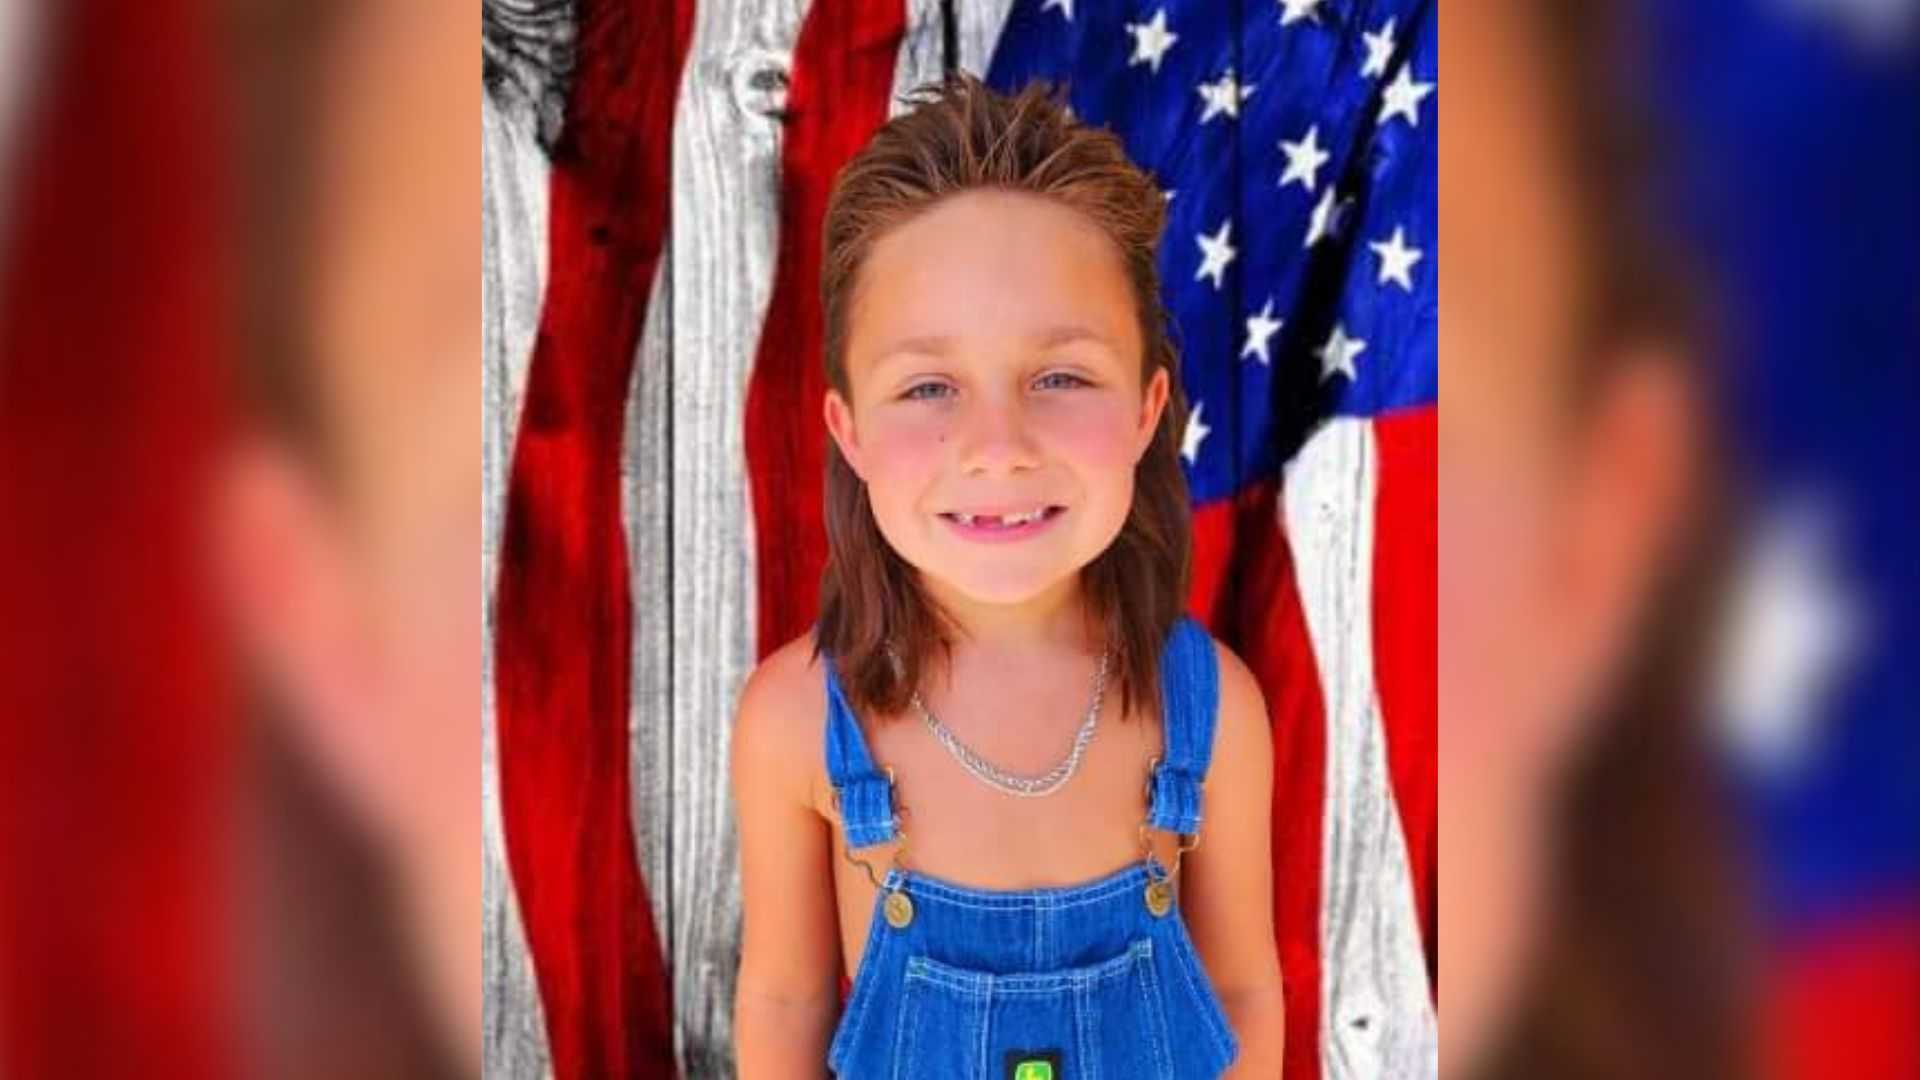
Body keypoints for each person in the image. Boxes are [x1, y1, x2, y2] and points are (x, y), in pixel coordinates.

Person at [730, 73, 1285, 1078]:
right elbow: (783, 1000)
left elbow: (1243, 987)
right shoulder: (796, 720)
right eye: (929, 386)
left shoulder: (1210, 710)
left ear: (1149, 409)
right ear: (848, 432)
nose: (998, 446)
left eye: (1061, 377)